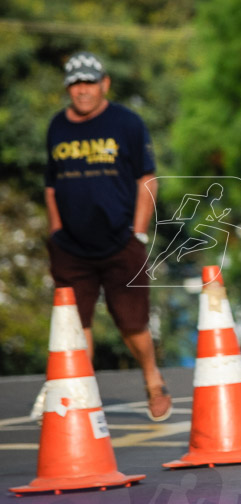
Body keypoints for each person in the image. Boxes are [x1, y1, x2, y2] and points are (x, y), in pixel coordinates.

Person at [42, 51, 171, 422]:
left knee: (133, 325)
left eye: (89, 82)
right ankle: (81, 394)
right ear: (68, 88)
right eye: (75, 84)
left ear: (105, 84)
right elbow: (51, 185)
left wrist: (140, 234)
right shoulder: (57, 127)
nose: (82, 91)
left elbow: (147, 179)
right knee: (75, 324)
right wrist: (56, 231)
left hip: (121, 242)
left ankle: (152, 378)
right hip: (71, 247)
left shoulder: (127, 122)